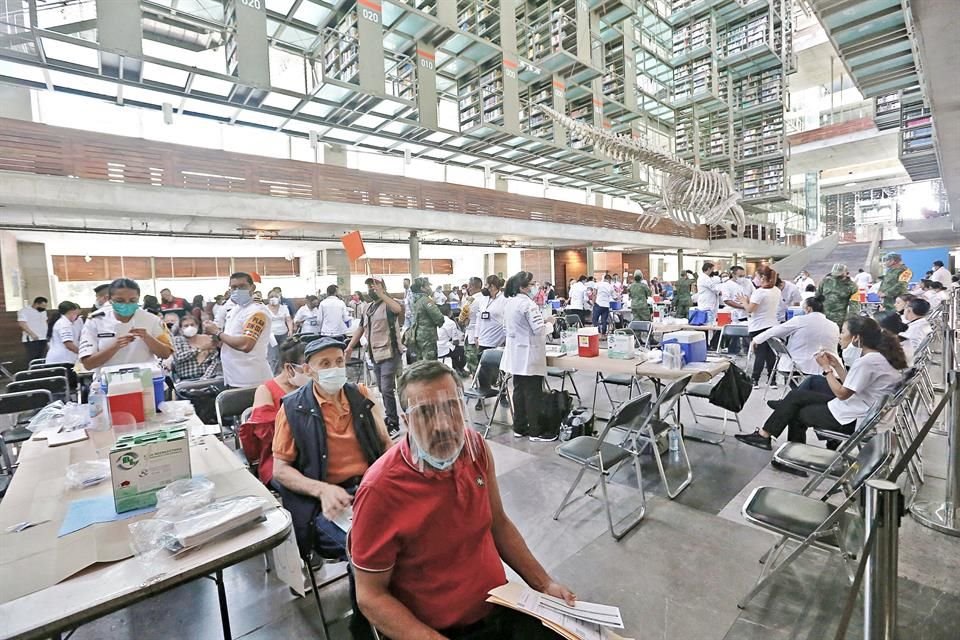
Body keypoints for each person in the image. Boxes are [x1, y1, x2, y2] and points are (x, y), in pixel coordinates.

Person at [350, 360, 576, 639]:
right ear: (406, 421)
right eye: (425, 413)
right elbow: (371, 596)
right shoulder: (380, 491)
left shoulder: (474, 448)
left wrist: (544, 584)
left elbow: (498, 524)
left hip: (500, 605)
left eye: (451, 407)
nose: (443, 425)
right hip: (438, 631)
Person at [271, 337, 392, 639]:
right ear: (308, 370)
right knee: (363, 547)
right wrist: (322, 490)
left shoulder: (360, 396)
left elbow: (385, 446)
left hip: (370, 489)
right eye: (324, 364)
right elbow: (280, 471)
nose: (335, 369)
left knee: (412, 526)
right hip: (326, 503)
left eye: (339, 361)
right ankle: (365, 627)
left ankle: (403, 607)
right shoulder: (293, 408)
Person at [736, 316, 905, 450]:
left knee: (797, 412)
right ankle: (773, 427)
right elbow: (853, 385)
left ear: (856, 338)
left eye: (843, 332)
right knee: (802, 392)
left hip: (854, 418)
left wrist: (826, 369)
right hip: (860, 408)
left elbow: (842, 393)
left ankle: (789, 450)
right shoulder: (878, 357)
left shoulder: (868, 362)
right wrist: (837, 366)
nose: (839, 336)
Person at [240, 338, 309, 486]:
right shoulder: (266, 390)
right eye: (306, 367)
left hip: (315, 454)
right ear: (289, 368)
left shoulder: (311, 386)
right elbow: (266, 435)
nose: (311, 372)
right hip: (278, 459)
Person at [346, 277, 404, 436]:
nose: (371, 289)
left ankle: (393, 423)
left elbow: (398, 309)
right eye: (369, 287)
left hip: (389, 352)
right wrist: (350, 346)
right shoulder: (368, 307)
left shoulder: (389, 304)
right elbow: (360, 328)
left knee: (386, 388)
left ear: (382, 287)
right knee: (381, 389)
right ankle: (389, 417)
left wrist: (382, 294)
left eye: (374, 286)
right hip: (374, 354)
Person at [501, 272, 555, 441]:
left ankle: (520, 427)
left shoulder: (509, 303)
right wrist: (550, 323)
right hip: (529, 354)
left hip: (516, 354)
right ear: (522, 287)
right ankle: (535, 431)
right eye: (532, 284)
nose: (535, 287)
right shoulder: (528, 304)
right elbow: (539, 330)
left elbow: (506, 329)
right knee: (533, 393)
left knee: (519, 391)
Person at [80, 278, 173, 371]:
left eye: (132, 300)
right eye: (120, 301)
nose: (126, 304)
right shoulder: (96, 320)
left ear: (138, 298)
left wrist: (148, 337)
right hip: (108, 377)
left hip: (144, 376)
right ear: (109, 299)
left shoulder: (151, 319)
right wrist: (116, 346)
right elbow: (88, 364)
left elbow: (166, 354)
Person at [203, 272, 272, 389]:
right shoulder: (236, 309)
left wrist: (217, 333)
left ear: (252, 288)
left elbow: (246, 345)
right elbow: (230, 339)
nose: (237, 290)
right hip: (234, 377)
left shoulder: (257, 312)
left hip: (251, 380)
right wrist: (216, 338)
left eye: (242, 286)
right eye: (234, 287)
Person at [750, 296, 840, 380]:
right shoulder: (834, 325)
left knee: (789, 371)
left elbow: (774, 331)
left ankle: (799, 390)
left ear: (808, 309)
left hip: (799, 366)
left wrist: (756, 340)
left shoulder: (799, 320)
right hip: (830, 369)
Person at [737, 266, 781, 388]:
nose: (754, 279)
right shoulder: (776, 290)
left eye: (756, 276)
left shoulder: (760, 292)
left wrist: (744, 301)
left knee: (760, 354)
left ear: (762, 277)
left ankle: (755, 379)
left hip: (758, 326)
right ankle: (772, 380)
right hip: (772, 325)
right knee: (771, 354)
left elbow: (750, 309)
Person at [170, 314, 220, 382]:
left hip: (207, 378)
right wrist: (200, 349)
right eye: (186, 326)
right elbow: (179, 357)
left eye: (192, 325)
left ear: (197, 326)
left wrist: (205, 378)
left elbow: (214, 360)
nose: (189, 327)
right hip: (186, 380)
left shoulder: (206, 339)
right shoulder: (177, 340)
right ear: (181, 329)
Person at [408, 277, 446, 362]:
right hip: (428, 337)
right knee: (430, 363)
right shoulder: (426, 300)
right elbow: (439, 317)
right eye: (428, 286)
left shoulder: (415, 300)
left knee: (420, 362)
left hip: (417, 335)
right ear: (422, 288)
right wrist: (440, 323)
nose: (430, 288)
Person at [457, 277, 485, 376]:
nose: (468, 288)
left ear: (472, 286)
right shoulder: (486, 298)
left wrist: (464, 321)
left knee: (473, 363)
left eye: (468, 286)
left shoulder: (470, 301)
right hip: (485, 335)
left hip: (472, 335)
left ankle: (476, 381)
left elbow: (461, 319)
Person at [816, 263, 858, 328]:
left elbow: (854, 305)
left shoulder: (852, 286)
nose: (836, 277)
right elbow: (817, 297)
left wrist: (850, 322)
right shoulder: (825, 281)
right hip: (823, 317)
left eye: (839, 276)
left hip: (839, 320)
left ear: (846, 273)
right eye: (834, 275)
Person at [720, 266, 749, 355]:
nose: (742, 278)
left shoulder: (748, 283)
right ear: (733, 275)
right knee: (734, 337)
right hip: (734, 315)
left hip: (747, 314)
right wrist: (742, 306)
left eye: (743, 275)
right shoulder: (727, 285)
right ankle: (733, 352)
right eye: (740, 276)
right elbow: (727, 300)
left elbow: (754, 294)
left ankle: (747, 351)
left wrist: (748, 304)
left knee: (747, 336)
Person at [476, 275, 507, 353]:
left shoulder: (504, 299)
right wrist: (476, 336)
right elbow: (479, 318)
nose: (484, 287)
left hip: (497, 341)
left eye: (486, 285)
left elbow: (507, 320)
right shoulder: (483, 299)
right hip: (482, 339)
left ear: (492, 286)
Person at [265, 292, 293, 371]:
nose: (273, 298)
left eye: (275, 296)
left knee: (285, 354)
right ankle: (273, 374)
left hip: (283, 334)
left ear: (279, 298)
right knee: (273, 356)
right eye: (271, 296)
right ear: (268, 298)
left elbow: (288, 320)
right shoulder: (265, 308)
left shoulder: (284, 308)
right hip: (271, 336)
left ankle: (285, 372)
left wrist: (290, 330)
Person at [17, 296, 49, 362]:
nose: (44, 307)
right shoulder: (24, 311)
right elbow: (22, 323)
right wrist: (32, 334)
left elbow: (45, 322)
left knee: (42, 356)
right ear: (36, 304)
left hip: (43, 337)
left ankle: (42, 367)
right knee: (34, 357)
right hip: (32, 338)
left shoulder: (43, 311)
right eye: (43, 306)